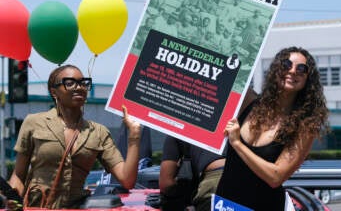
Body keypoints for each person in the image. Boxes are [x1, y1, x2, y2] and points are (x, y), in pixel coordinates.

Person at [8, 64, 141, 209]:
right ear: (54, 92)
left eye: (82, 83)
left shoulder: (98, 132)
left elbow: (127, 180)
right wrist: (12, 197)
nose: (79, 87)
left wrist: (134, 136)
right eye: (70, 83)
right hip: (36, 207)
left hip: (76, 207)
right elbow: (18, 175)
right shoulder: (33, 122)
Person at [216, 46, 329, 210]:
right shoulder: (249, 101)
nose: (292, 71)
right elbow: (226, 69)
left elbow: (275, 177)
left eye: (301, 68)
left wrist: (237, 144)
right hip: (224, 204)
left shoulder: (305, 126)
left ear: (307, 79)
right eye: (286, 64)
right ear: (276, 69)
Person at [159, 136, 226, 211]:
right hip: (239, 176)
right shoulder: (236, 125)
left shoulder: (180, 128)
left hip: (214, 182)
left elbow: (166, 184)